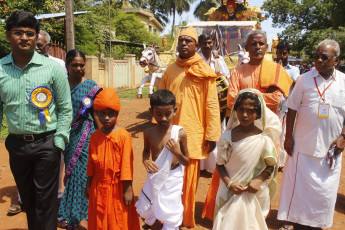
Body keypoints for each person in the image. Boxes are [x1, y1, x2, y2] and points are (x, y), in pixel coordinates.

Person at [202, 30, 293, 221]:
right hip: (239, 130)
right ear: (246, 48)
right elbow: (231, 99)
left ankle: (256, 219)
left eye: (261, 44)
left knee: (264, 173)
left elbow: (277, 97)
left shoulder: (276, 69)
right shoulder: (237, 71)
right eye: (253, 44)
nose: (257, 47)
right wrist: (259, 97)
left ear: (267, 47)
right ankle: (229, 218)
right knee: (231, 168)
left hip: (267, 131)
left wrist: (247, 97)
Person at [0, 11, 72, 230]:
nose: (24, 38)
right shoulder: (0, 69)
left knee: (46, 202)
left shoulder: (53, 68)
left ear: (36, 36)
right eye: (18, 33)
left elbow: (65, 108)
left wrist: (58, 142)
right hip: (16, 145)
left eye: (30, 33)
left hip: (46, 144)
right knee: (28, 201)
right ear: (8, 35)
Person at [278, 39, 345, 230]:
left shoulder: (343, 82)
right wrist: (288, 136)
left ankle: (317, 222)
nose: (318, 60)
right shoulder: (304, 79)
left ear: (336, 60)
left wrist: (343, 137)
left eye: (324, 57)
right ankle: (291, 219)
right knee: (296, 186)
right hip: (302, 144)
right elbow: (291, 108)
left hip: (330, 147)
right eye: (316, 56)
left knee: (324, 190)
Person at [159, 27, 221, 227]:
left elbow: (212, 104)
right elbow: (159, 101)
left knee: (188, 179)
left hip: (193, 133)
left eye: (189, 41)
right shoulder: (170, 70)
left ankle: (184, 218)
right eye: (181, 40)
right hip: (169, 131)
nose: (184, 44)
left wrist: (212, 135)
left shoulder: (205, 70)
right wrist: (157, 129)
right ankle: (165, 215)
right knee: (166, 177)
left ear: (196, 45)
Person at [213, 89, 281, 229]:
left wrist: (258, 180)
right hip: (229, 191)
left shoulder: (263, 139)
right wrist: (229, 183)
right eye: (241, 110)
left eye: (250, 111)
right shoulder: (227, 137)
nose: (244, 115)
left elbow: (271, 166)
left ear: (258, 114)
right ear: (235, 111)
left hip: (253, 192)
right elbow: (220, 164)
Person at [57, 50, 101, 229]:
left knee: (82, 176)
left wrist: (103, 135)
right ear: (67, 65)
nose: (78, 68)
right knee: (70, 174)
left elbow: (96, 111)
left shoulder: (90, 86)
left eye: (81, 65)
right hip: (66, 136)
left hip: (85, 134)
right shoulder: (59, 85)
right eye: (74, 64)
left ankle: (77, 214)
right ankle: (67, 213)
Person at [85, 88, 140, 230]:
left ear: (117, 113)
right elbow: (91, 164)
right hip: (98, 186)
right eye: (102, 114)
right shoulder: (94, 137)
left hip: (118, 188)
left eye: (111, 114)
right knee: (99, 219)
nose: (107, 118)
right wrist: (88, 185)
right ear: (96, 114)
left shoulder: (123, 136)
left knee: (118, 220)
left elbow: (127, 165)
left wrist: (128, 190)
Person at [135, 89, 189, 230]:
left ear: (175, 111)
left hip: (173, 178)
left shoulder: (180, 133)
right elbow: (146, 151)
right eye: (159, 114)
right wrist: (145, 160)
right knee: (154, 204)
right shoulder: (148, 133)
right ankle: (157, 223)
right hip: (156, 175)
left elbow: (186, 161)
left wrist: (176, 152)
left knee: (172, 210)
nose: (164, 118)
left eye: (168, 114)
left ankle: (171, 226)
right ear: (151, 111)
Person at [198, 33, 230, 172]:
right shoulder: (195, 60)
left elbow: (226, 78)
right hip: (200, 101)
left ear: (213, 43)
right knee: (202, 130)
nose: (207, 45)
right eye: (204, 43)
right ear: (199, 44)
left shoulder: (218, 59)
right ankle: (201, 165)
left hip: (218, 102)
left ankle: (216, 165)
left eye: (209, 42)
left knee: (218, 130)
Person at [276, 41, 300, 168]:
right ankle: (271, 160)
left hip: (286, 106)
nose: (282, 56)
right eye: (279, 53)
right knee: (273, 132)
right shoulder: (272, 67)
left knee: (284, 133)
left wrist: (283, 74)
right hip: (273, 105)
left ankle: (280, 163)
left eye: (284, 53)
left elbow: (296, 84)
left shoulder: (294, 70)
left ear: (288, 54)